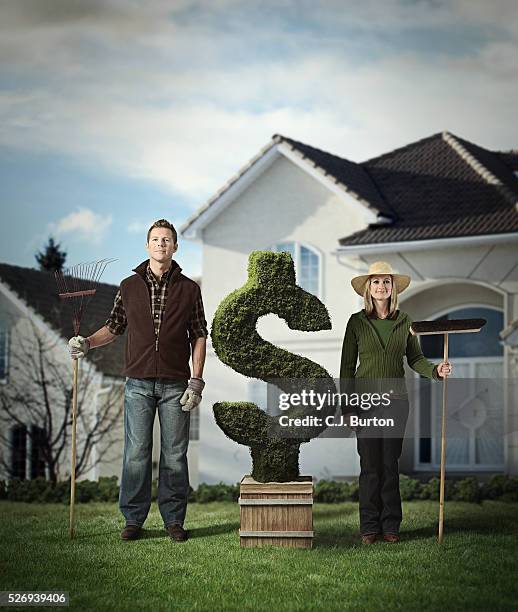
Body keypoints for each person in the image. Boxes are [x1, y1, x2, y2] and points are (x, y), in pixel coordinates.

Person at [68, 219, 207, 542]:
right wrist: (87, 342)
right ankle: (133, 520)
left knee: (174, 454)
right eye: (155, 239)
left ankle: (174, 521)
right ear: (147, 246)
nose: (161, 244)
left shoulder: (189, 289)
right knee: (136, 453)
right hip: (138, 384)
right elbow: (114, 327)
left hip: (176, 384)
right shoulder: (128, 287)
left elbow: (199, 335)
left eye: (167, 240)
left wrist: (196, 381)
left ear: (175, 247)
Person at [340, 261, 451, 545]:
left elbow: (415, 358)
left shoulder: (405, 321)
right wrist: (348, 408)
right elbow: (347, 368)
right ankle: (369, 527)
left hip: (396, 403)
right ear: (368, 288)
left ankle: (391, 525)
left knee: (390, 464)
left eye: (386, 282)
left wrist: (435, 371)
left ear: (393, 288)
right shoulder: (356, 322)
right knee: (369, 466)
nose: (381, 287)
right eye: (376, 282)